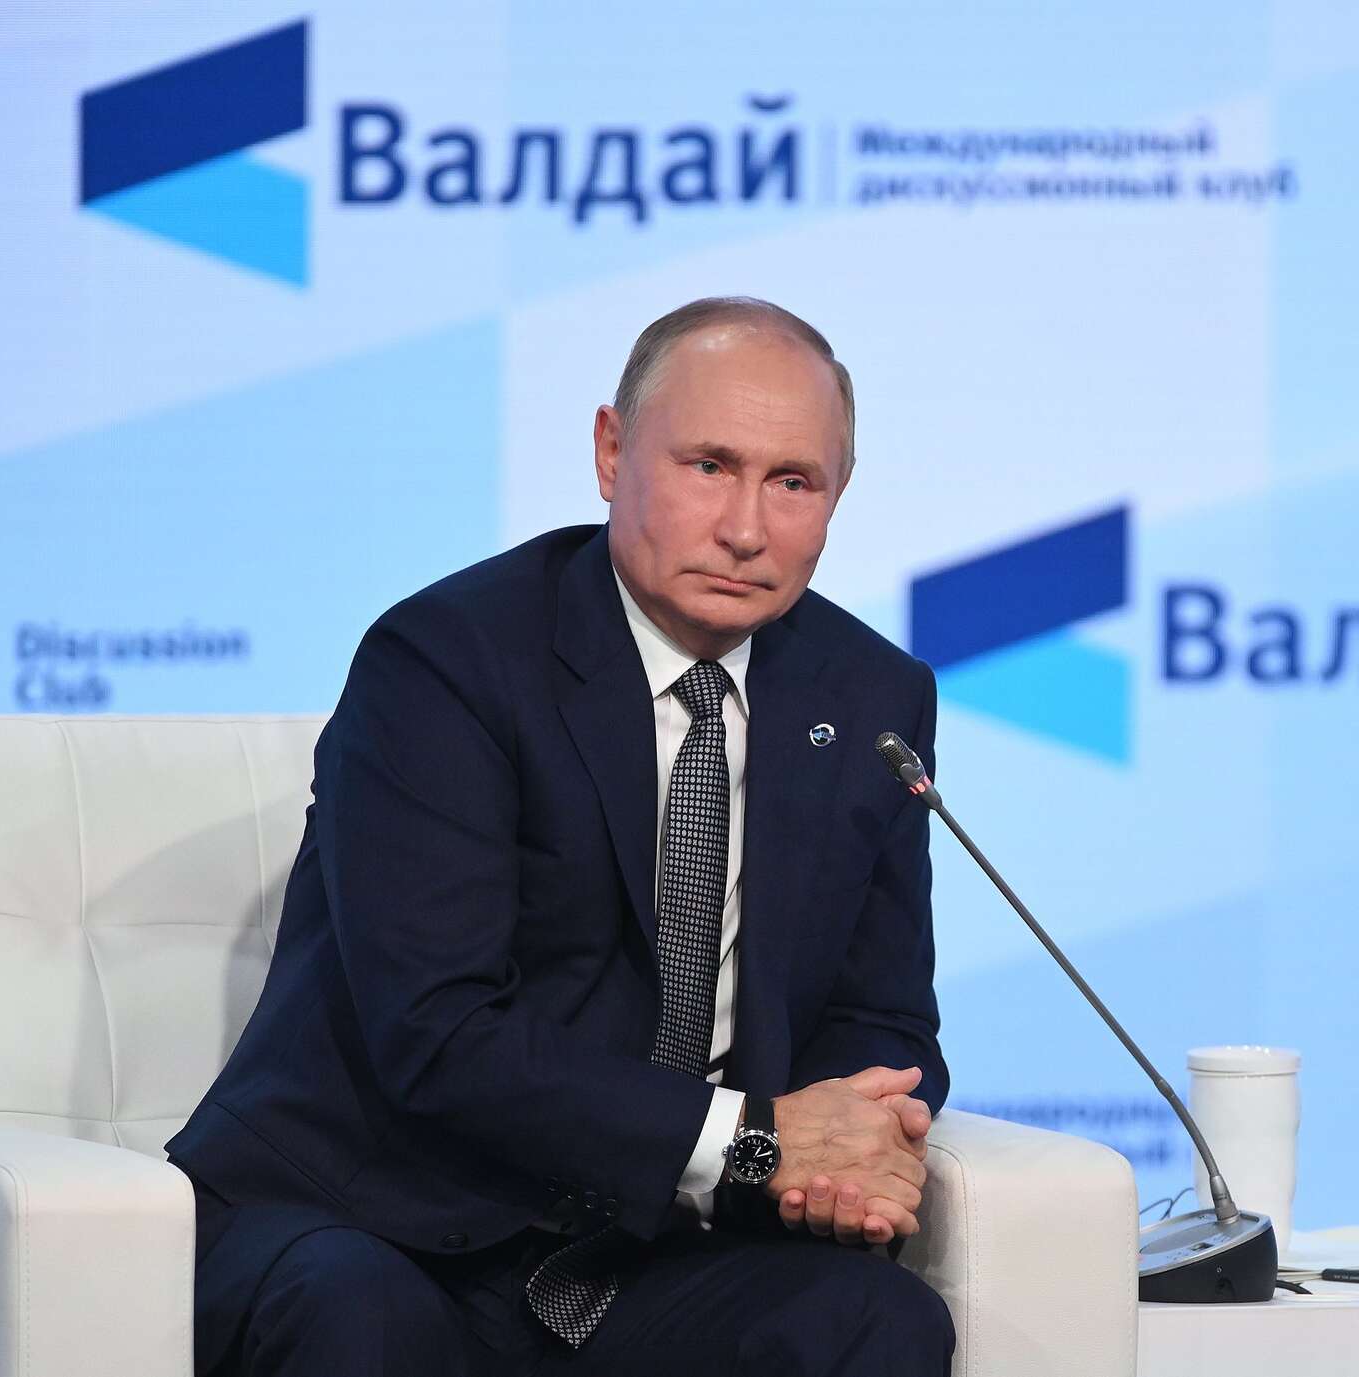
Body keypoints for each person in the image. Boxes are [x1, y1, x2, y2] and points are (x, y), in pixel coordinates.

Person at [164, 297, 954, 1376]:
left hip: (651, 1246)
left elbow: (880, 1011)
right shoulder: (445, 661)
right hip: (383, 1217)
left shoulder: (869, 695)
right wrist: (758, 1142)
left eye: (792, 482)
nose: (745, 528)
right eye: (709, 466)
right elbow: (439, 1035)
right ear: (610, 452)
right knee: (361, 1316)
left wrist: (848, 1147)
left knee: (877, 1320)